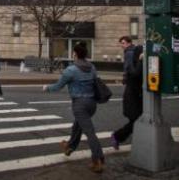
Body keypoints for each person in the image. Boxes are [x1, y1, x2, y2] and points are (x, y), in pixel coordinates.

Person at [42, 43, 104, 173]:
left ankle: (98, 160)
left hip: (80, 104)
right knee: (77, 126)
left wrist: (46, 87)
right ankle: (69, 147)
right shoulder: (92, 67)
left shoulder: (71, 70)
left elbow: (58, 86)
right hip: (92, 103)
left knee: (90, 132)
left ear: (74, 54)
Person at [109, 36, 143, 150]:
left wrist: (126, 74)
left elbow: (131, 70)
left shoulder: (129, 52)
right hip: (135, 91)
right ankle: (118, 137)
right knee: (137, 119)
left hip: (133, 92)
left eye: (123, 43)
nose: (121, 45)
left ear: (129, 43)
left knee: (137, 119)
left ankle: (117, 137)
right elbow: (133, 71)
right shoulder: (134, 51)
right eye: (121, 43)